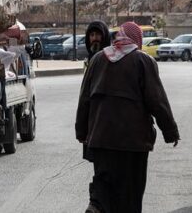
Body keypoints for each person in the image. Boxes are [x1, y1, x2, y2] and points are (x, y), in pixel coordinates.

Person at [75, 22, 180, 213]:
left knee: (104, 182)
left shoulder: (97, 59)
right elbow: (157, 101)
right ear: (137, 39)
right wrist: (170, 131)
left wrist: (81, 131)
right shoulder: (143, 61)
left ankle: (97, 204)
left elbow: (84, 100)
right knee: (130, 193)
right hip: (133, 142)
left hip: (100, 139)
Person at [82, 21, 112, 162]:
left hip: (108, 122)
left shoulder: (111, 58)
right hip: (94, 122)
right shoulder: (90, 59)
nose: (94, 38)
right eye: (92, 35)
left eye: (98, 35)